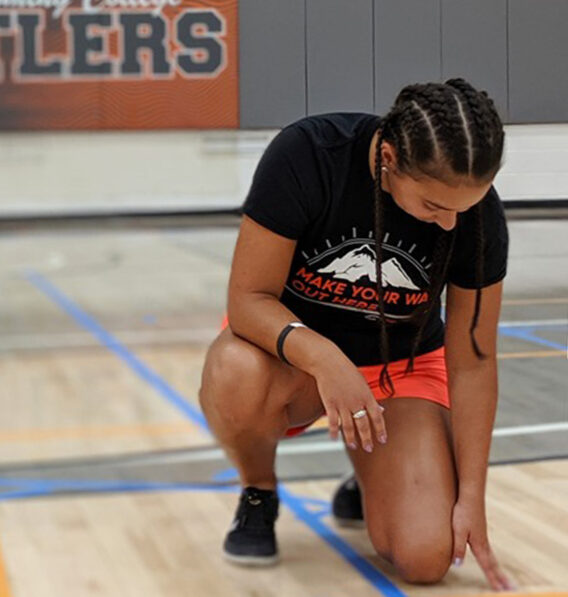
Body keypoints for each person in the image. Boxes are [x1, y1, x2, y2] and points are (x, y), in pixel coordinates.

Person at [199, 78, 515, 590]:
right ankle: (259, 490)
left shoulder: (475, 217)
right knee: (236, 372)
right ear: (388, 158)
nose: (452, 223)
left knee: (425, 558)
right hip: (294, 358)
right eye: (435, 206)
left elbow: (474, 361)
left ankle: (373, 475)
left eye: (466, 206)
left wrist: (471, 497)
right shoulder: (309, 155)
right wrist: (325, 359)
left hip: (401, 370)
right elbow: (247, 303)